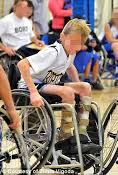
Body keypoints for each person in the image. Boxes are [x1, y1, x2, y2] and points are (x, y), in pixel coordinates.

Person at [17, 18, 99, 153]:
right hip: (31, 85)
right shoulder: (52, 51)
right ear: (62, 36)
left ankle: (81, 133)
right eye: (73, 42)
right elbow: (22, 64)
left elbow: (70, 67)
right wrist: (33, 92)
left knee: (85, 87)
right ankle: (64, 136)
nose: (76, 47)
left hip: (49, 85)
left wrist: (77, 84)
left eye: (79, 43)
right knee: (67, 92)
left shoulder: (70, 52)